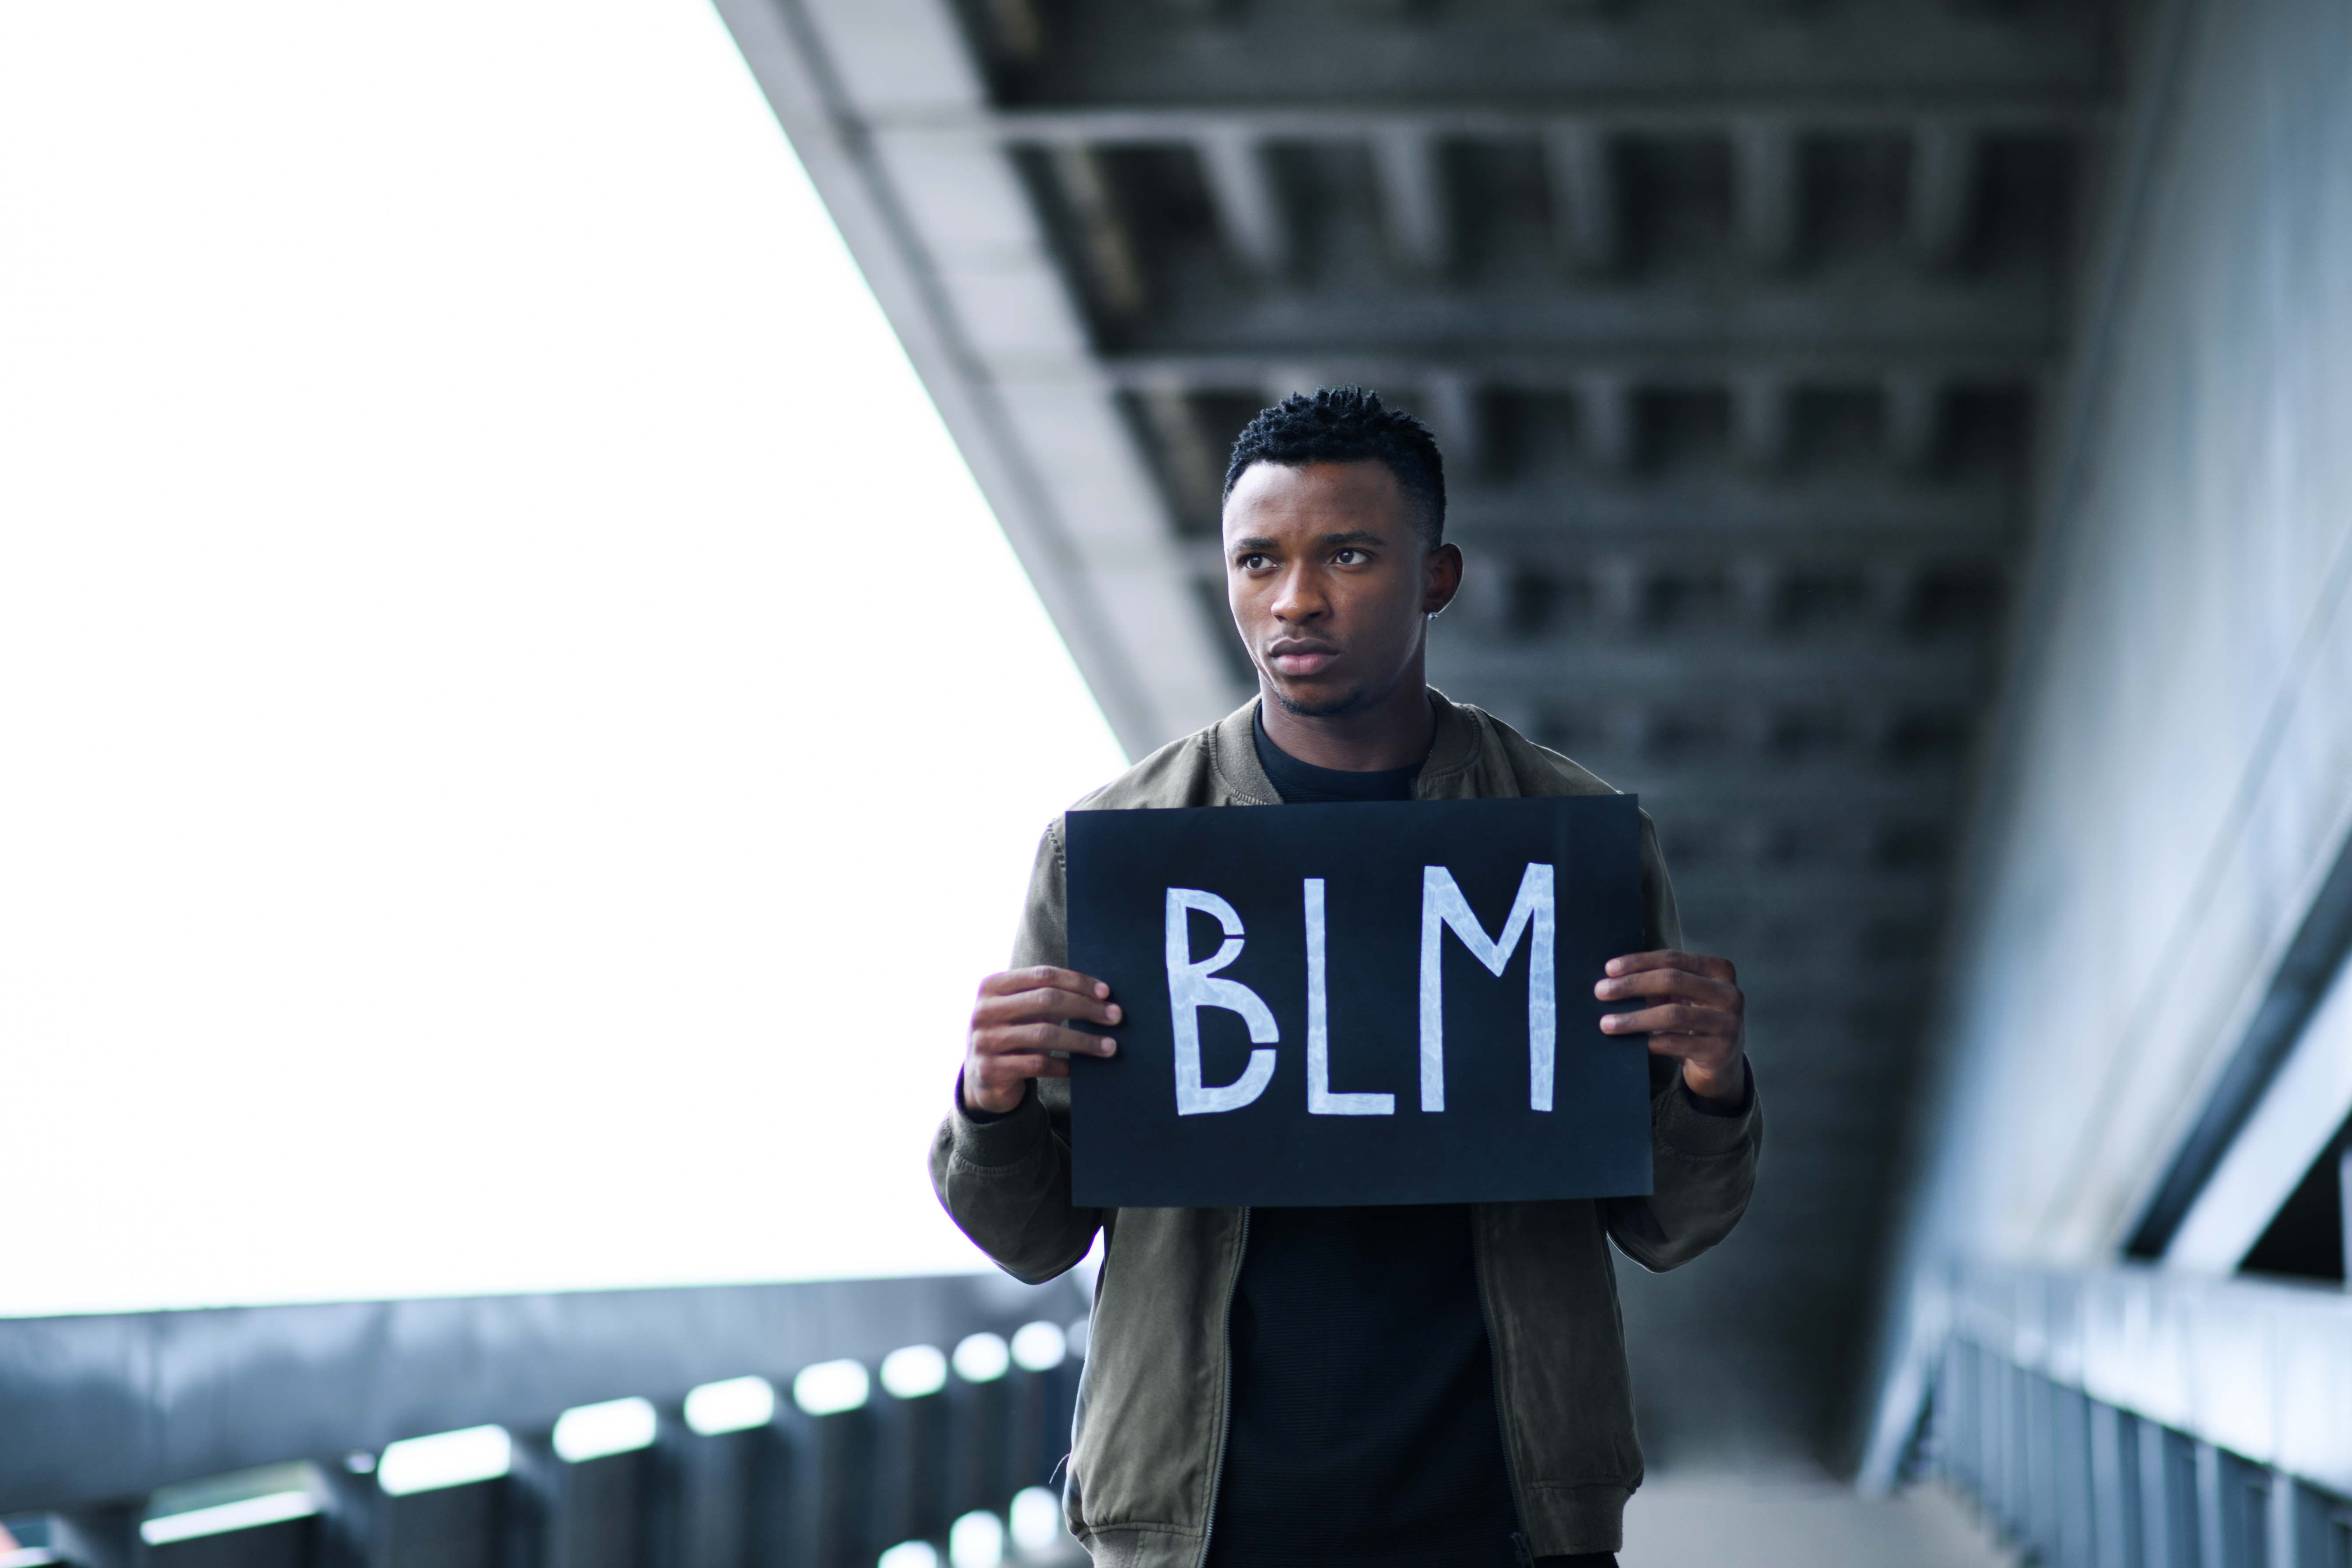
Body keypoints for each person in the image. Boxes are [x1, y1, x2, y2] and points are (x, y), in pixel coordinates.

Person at [931, 387, 1760, 1568]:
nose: (1295, 600)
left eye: (1350, 555)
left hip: (1506, 1517)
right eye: (1257, 560)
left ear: (1439, 576)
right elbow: (1032, 1238)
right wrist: (990, 1103)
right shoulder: (1116, 846)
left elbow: (1668, 1224)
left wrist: (1711, 1089)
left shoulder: (1569, 837)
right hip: (1201, 1527)